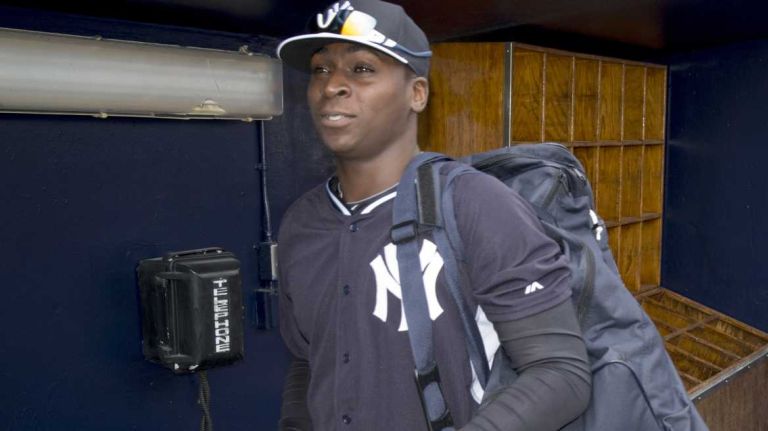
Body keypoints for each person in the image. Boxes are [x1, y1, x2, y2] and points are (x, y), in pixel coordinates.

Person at [275, 1, 591, 430]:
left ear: (417, 94)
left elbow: (560, 373)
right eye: (320, 70)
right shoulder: (300, 223)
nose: (332, 86)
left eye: (362, 69)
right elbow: (308, 361)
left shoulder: (474, 203)